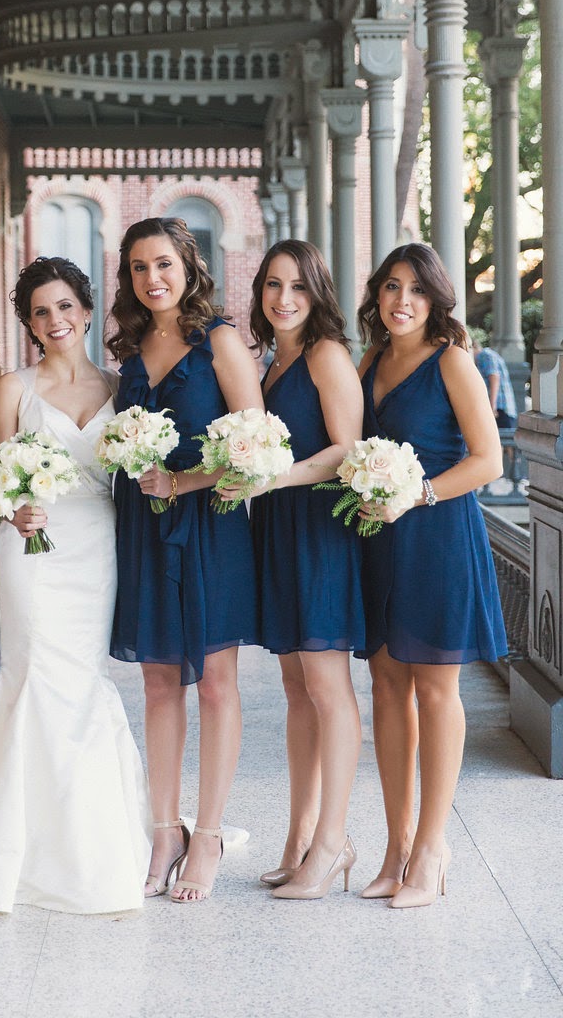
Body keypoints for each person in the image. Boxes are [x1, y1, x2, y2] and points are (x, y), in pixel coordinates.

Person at [0, 257, 152, 914]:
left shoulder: (121, 387)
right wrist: (14, 509)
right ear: (28, 323)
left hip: (96, 548)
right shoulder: (12, 389)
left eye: (65, 307)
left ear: (87, 310)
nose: (55, 321)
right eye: (41, 312)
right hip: (29, 547)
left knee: (80, 681)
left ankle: (85, 843)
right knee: (34, 677)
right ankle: (11, 847)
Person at [108, 216, 262, 904]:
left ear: (189, 266)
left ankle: (210, 835)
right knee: (159, 683)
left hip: (211, 524)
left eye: (164, 264)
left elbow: (260, 447)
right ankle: (165, 830)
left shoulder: (221, 340)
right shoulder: (131, 348)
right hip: (144, 526)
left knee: (217, 684)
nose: (153, 278)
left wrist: (183, 481)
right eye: (140, 268)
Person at [358, 243, 506, 909]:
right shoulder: (370, 359)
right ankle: (395, 846)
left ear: (436, 299)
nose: (402, 301)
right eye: (392, 286)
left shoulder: (452, 360)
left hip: (438, 534)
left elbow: (488, 459)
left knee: (436, 691)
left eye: (417, 290)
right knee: (387, 688)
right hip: (377, 541)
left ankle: (431, 848)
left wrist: (414, 495)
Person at [245, 240, 365, 900]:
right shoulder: (273, 361)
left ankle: (333, 841)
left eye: (297, 286)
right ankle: (300, 837)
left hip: (319, 530)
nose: (284, 298)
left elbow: (347, 449)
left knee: (327, 686)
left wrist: (272, 479)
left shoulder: (325, 354)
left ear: (317, 293)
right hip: (278, 529)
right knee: (296, 689)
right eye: (273, 284)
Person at [471, 329, 518, 430]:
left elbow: (494, 378)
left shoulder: (484, 355)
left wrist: (492, 406)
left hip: (500, 408)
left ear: (472, 347)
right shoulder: (487, 355)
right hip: (504, 408)